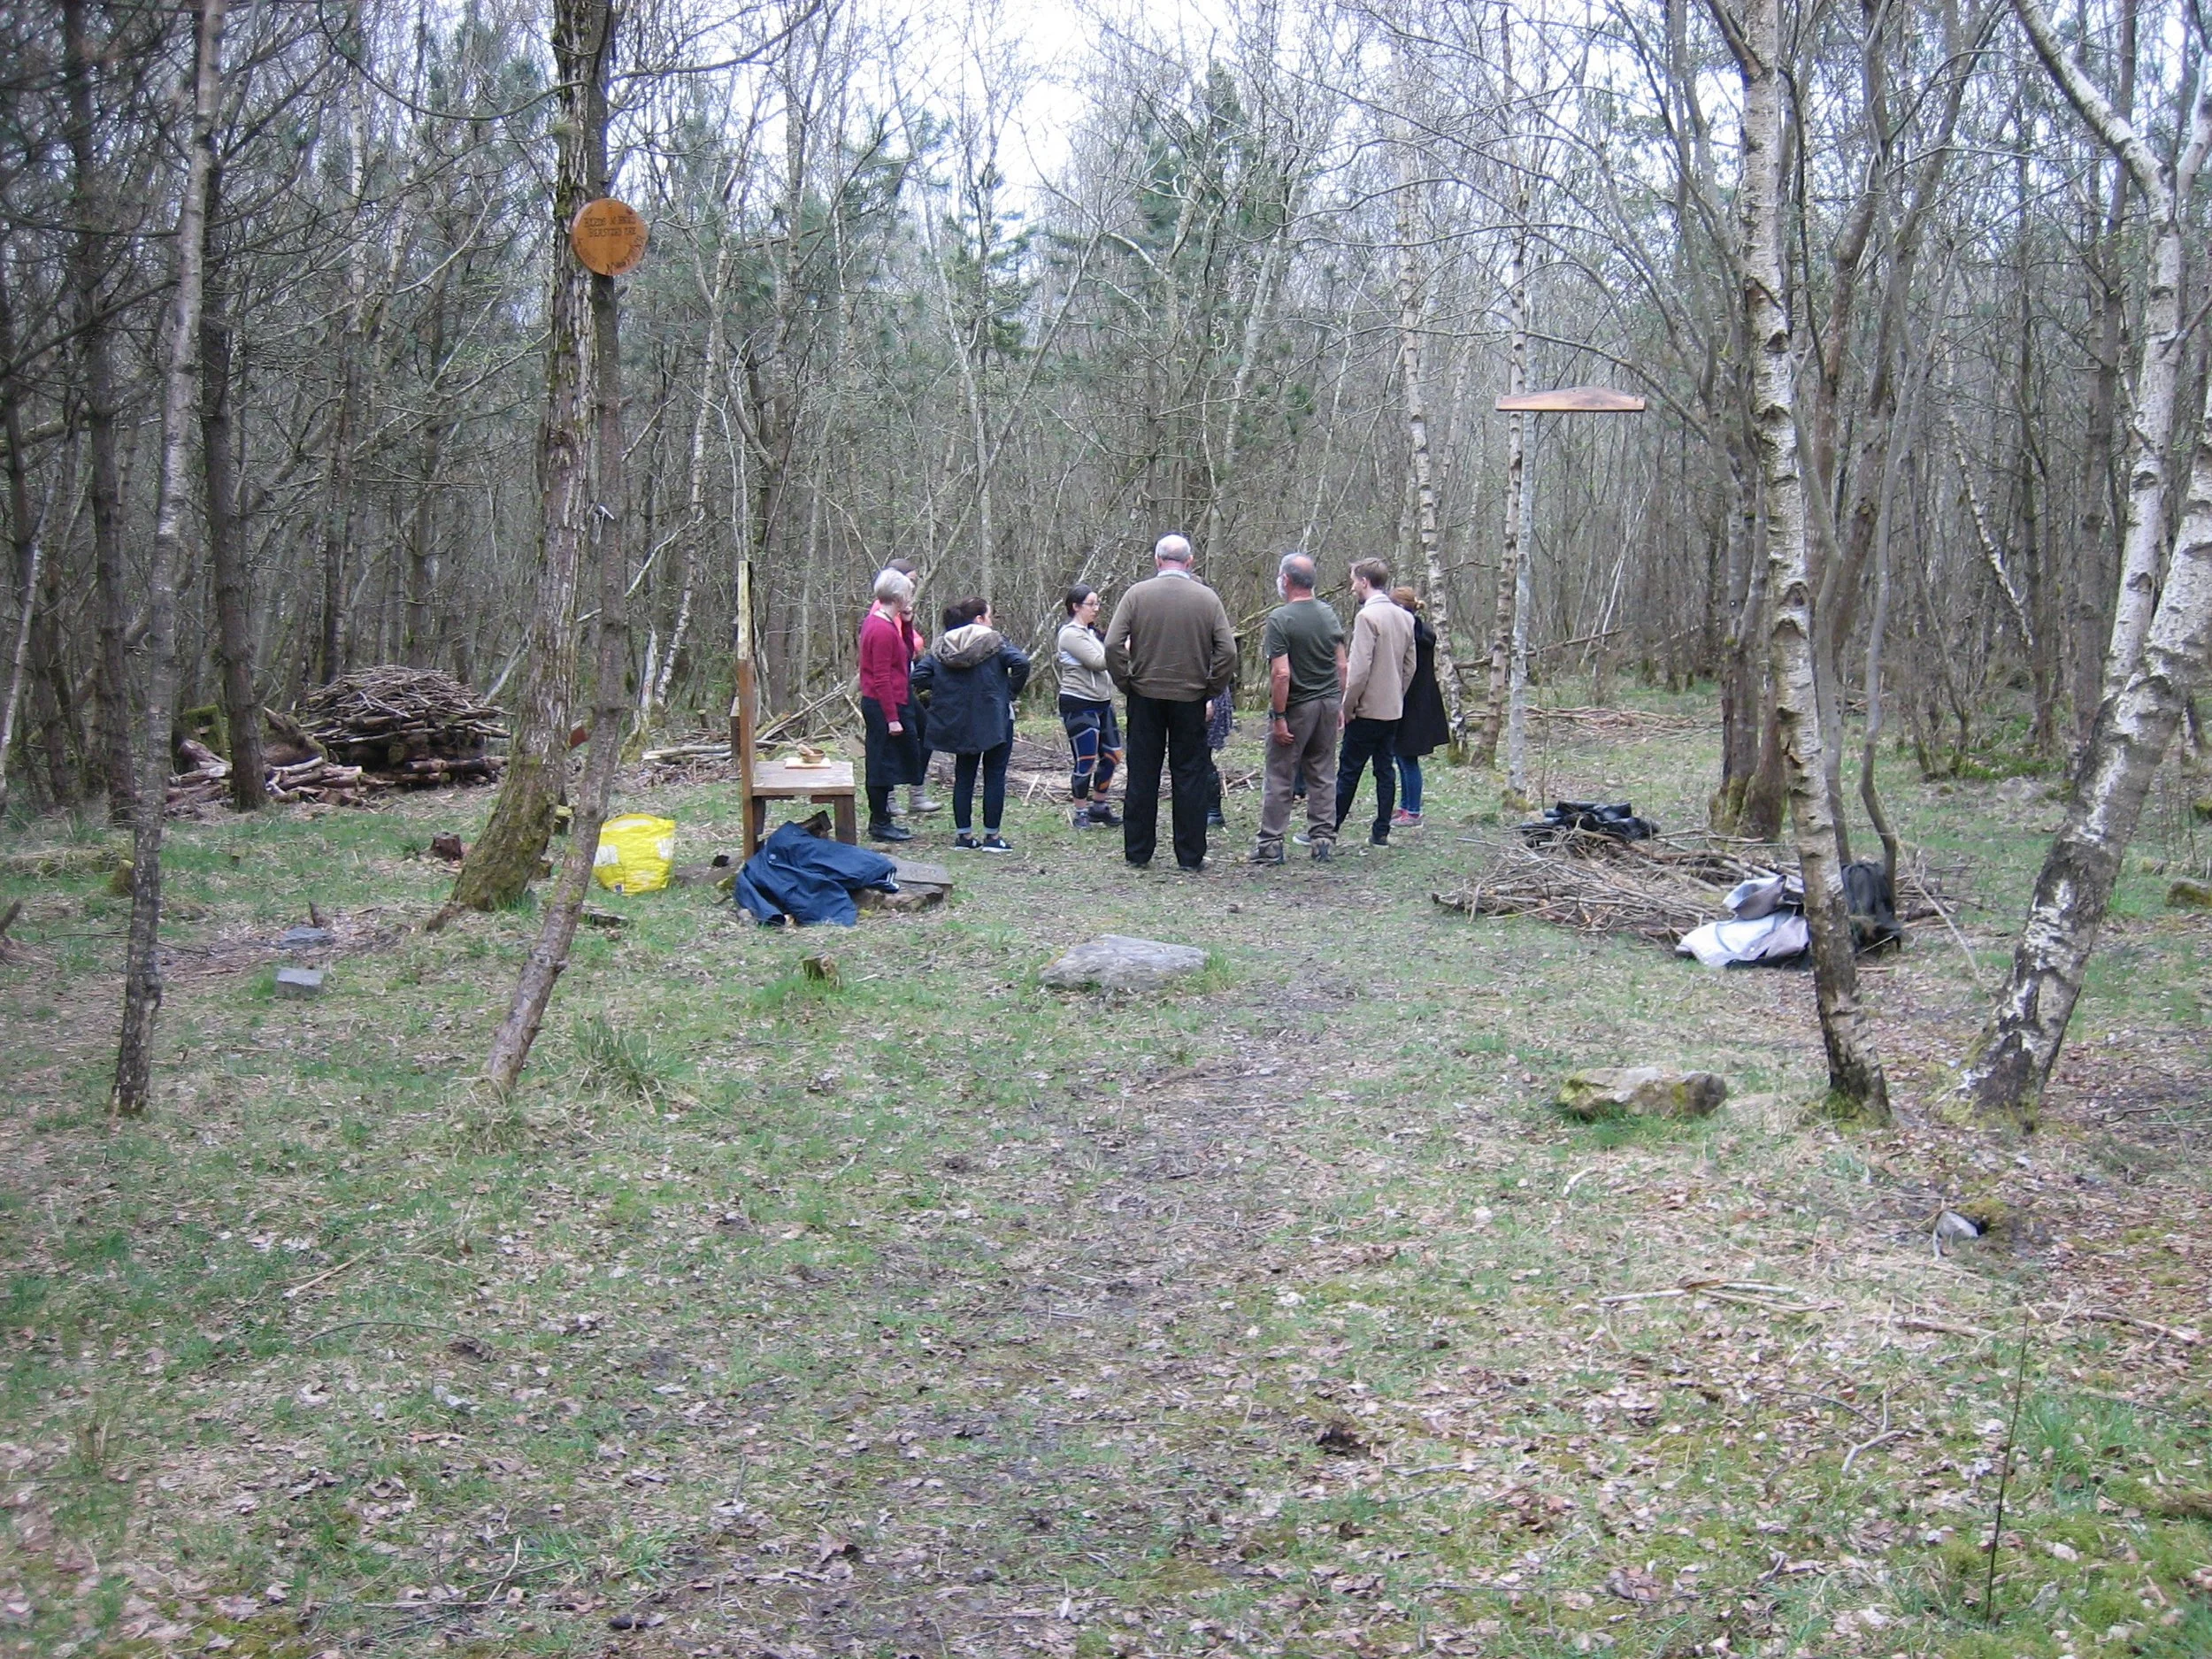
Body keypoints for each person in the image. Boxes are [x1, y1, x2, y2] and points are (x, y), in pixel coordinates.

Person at [1102, 533, 1237, 872]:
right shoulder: (1207, 599)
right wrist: (1211, 687)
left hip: (1145, 695)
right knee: (1189, 775)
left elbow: (1113, 644)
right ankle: (1190, 856)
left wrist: (1126, 681)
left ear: (1158, 560)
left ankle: (1138, 852)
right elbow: (1228, 651)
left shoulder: (1137, 595)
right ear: (1190, 561)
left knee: (1143, 774)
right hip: (1190, 697)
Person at [910, 596, 1030, 853]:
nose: (991, 621)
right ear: (979, 619)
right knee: (994, 775)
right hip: (995, 718)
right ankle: (992, 837)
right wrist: (1008, 692)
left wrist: (948, 690)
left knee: (964, 776)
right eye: (989, 616)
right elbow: (1021, 663)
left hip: (960, 721)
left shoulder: (945, 645)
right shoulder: (994, 642)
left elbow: (918, 676)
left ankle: (963, 837)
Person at [1249, 552, 1346, 865]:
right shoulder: (1328, 614)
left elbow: (1281, 674)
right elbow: (1342, 664)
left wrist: (1279, 716)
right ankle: (1322, 839)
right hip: (1329, 703)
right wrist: (1339, 702)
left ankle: (1270, 844)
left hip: (1298, 707)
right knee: (1322, 772)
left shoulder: (1281, 619)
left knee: (1280, 774)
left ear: (1286, 580)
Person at [1335, 557, 1417, 847]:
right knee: (1385, 770)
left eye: (1354, 580)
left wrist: (1347, 707)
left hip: (1365, 709)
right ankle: (1381, 831)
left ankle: (1329, 829)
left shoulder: (1367, 618)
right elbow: (1410, 668)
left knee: (1349, 771)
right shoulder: (1406, 617)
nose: (1352, 586)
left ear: (1365, 582)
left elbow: (1358, 671)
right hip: (1393, 709)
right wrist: (1396, 696)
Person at [856, 569, 921, 843]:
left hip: (895, 700)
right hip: (884, 704)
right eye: (908, 593)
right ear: (897, 596)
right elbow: (880, 676)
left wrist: (907, 624)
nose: (910, 597)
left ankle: (884, 819)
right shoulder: (879, 628)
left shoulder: (885, 623)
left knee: (891, 760)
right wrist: (892, 718)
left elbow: (906, 655)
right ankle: (879, 822)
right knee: (881, 764)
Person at [1056, 584, 1123, 828]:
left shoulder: (1092, 633)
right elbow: (1097, 662)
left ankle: (1099, 806)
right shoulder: (1070, 634)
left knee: (1113, 754)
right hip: (1079, 703)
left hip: (1102, 703)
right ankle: (1080, 811)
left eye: (1098, 603)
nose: (1097, 608)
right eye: (1091, 604)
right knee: (1085, 759)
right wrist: (1123, 650)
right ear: (1076, 607)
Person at [1390, 586, 1448, 829]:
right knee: (1402, 756)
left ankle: (1413, 811)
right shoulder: (1418, 630)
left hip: (1414, 703)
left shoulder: (1413, 633)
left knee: (1407, 757)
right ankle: (1405, 807)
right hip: (1415, 701)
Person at [885, 557, 939, 817]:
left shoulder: (899, 614)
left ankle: (916, 792)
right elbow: (905, 647)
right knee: (891, 740)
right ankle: (890, 796)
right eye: (912, 582)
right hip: (891, 689)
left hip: (904, 683)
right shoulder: (882, 615)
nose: (914, 588)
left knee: (926, 731)